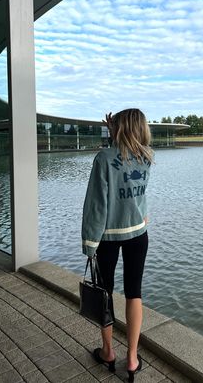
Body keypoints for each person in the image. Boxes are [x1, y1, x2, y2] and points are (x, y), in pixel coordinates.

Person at [81, 108, 153, 382]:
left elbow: (97, 205)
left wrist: (89, 244)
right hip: (138, 233)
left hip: (108, 237)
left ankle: (109, 352)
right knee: (134, 292)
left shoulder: (103, 158)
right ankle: (133, 358)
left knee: (105, 293)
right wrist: (116, 134)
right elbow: (129, 177)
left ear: (117, 129)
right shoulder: (146, 157)